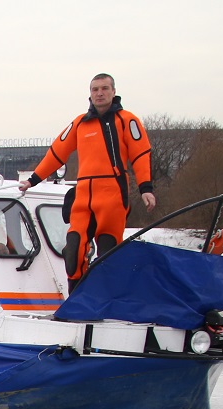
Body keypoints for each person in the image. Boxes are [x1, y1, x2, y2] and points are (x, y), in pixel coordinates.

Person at [19, 73, 155, 289]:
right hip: (83, 197)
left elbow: (140, 154)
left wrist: (146, 188)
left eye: (104, 88)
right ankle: (76, 302)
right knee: (73, 250)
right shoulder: (80, 123)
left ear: (113, 92)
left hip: (112, 196)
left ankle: (107, 301)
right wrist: (33, 180)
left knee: (108, 253)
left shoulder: (127, 120)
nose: (99, 93)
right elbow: (57, 153)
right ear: (90, 94)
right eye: (95, 89)